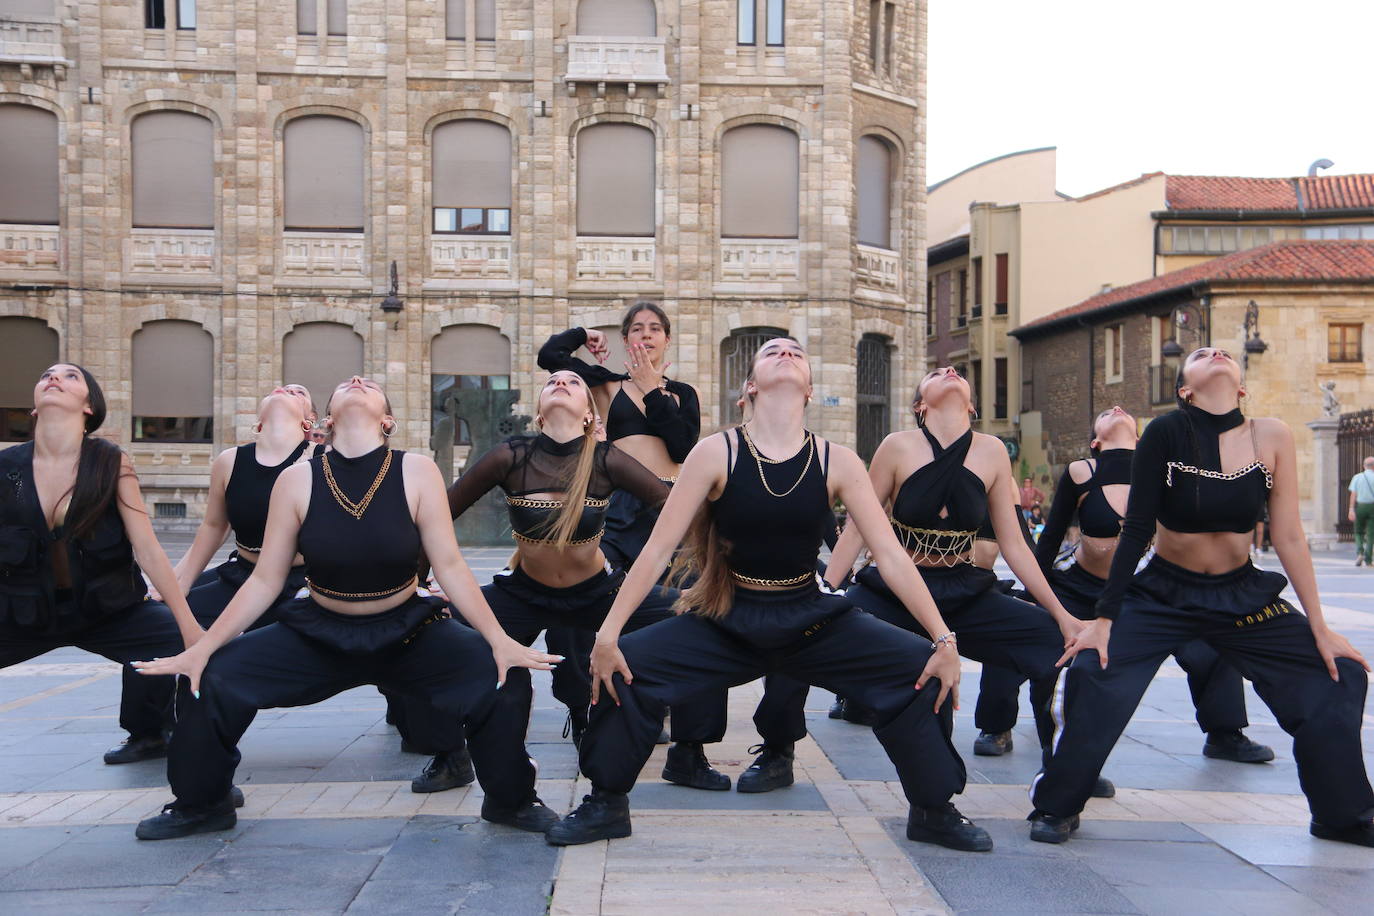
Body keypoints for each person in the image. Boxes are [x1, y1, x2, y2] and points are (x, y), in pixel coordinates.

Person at [547, 338, 989, 852]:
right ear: (749, 388)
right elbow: (655, 550)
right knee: (625, 669)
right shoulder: (716, 452)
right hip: (727, 616)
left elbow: (889, 555)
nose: (785, 351)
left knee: (922, 669)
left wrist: (943, 639)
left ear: (808, 388)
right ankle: (605, 804)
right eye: (772, 350)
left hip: (810, 618)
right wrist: (609, 634)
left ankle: (933, 810)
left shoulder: (838, 461)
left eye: (797, 351)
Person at [131, 377, 561, 840]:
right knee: (208, 679)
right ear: (328, 420)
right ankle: (202, 804)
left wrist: (499, 640)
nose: (356, 381)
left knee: (503, 676)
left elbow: (451, 566)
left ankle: (511, 801)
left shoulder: (417, 470)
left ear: (388, 420)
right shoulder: (296, 479)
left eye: (369, 384)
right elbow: (265, 579)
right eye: (345, 385)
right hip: (319, 632)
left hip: (408, 634)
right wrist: (205, 647)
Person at [1028, 348, 1374, 847]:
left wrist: (1319, 626)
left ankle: (1342, 815)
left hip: (1242, 594)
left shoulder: (1270, 435)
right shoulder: (1165, 434)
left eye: (1222, 353)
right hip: (1164, 590)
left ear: (1241, 387)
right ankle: (1056, 804)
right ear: (1185, 389)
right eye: (1199, 354)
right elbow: (1137, 529)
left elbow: (1291, 535)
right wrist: (1103, 618)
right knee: (1093, 671)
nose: (1214, 352)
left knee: (1338, 676)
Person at [742, 366, 1082, 793]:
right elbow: (858, 528)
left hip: (964, 589)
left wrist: (1062, 614)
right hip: (894, 591)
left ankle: (1067, 768)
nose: (950, 370)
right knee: (800, 633)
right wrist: (825, 591)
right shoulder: (897, 446)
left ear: (972, 405)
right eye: (937, 372)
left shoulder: (992, 450)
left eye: (955, 373)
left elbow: (1014, 545)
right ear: (921, 404)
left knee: (1060, 644)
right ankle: (777, 750)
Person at [407, 369, 724, 792]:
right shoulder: (510, 456)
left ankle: (689, 753)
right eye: (552, 382)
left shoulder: (606, 458)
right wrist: (415, 581)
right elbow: (438, 516)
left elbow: (675, 506)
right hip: (522, 593)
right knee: (427, 629)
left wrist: (713, 570)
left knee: (707, 620)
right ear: (539, 413)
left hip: (597, 592)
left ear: (591, 416)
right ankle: (450, 754)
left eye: (574, 382)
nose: (561, 384)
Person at [977, 406, 1273, 768]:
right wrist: (1033, 594)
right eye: (1104, 413)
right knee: (1019, 632)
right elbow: (1051, 537)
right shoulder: (1081, 471)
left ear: (1140, 437)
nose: (1116, 408)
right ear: (1095, 441)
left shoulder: (1168, 470)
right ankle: (996, 726)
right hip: (1079, 585)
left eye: (1123, 412)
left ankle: (1225, 734)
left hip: (1146, 587)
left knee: (1209, 645)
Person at [537, 304, 728, 788]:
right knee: (583, 600)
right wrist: (585, 335)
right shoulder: (603, 385)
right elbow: (550, 356)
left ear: (667, 340)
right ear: (625, 340)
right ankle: (584, 710)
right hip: (618, 508)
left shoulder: (682, 393)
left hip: (675, 509)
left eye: (655, 329)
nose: (646, 335)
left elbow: (683, 446)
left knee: (698, 613)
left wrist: (649, 389)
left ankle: (691, 747)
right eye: (636, 329)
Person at [0, 364, 203, 765]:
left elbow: (146, 548)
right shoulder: (10, 470)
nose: (54, 378)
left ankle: (165, 745)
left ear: (90, 406)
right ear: (36, 407)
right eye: (45, 375)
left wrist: (189, 627)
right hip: (24, 613)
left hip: (109, 610)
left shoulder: (110, 462)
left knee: (193, 649)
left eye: (70, 377)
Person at [109, 384, 318, 766]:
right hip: (243, 574)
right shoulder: (229, 461)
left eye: (298, 391)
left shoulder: (324, 458)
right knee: (154, 625)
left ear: (309, 422)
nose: (286, 388)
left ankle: (412, 717)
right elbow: (212, 528)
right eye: (279, 387)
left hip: (307, 582)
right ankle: (148, 732)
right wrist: (176, 586)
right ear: (257, 421)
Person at [1349, 456, 1374, 567]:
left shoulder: (1357, 477)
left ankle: (1360, 552)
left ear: (1364, 466)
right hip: (1372, 507)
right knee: (1371, 534)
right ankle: (1368, 560)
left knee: (1358, 531)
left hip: (1361, 507)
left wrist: (1351, 509)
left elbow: (1353, 494)